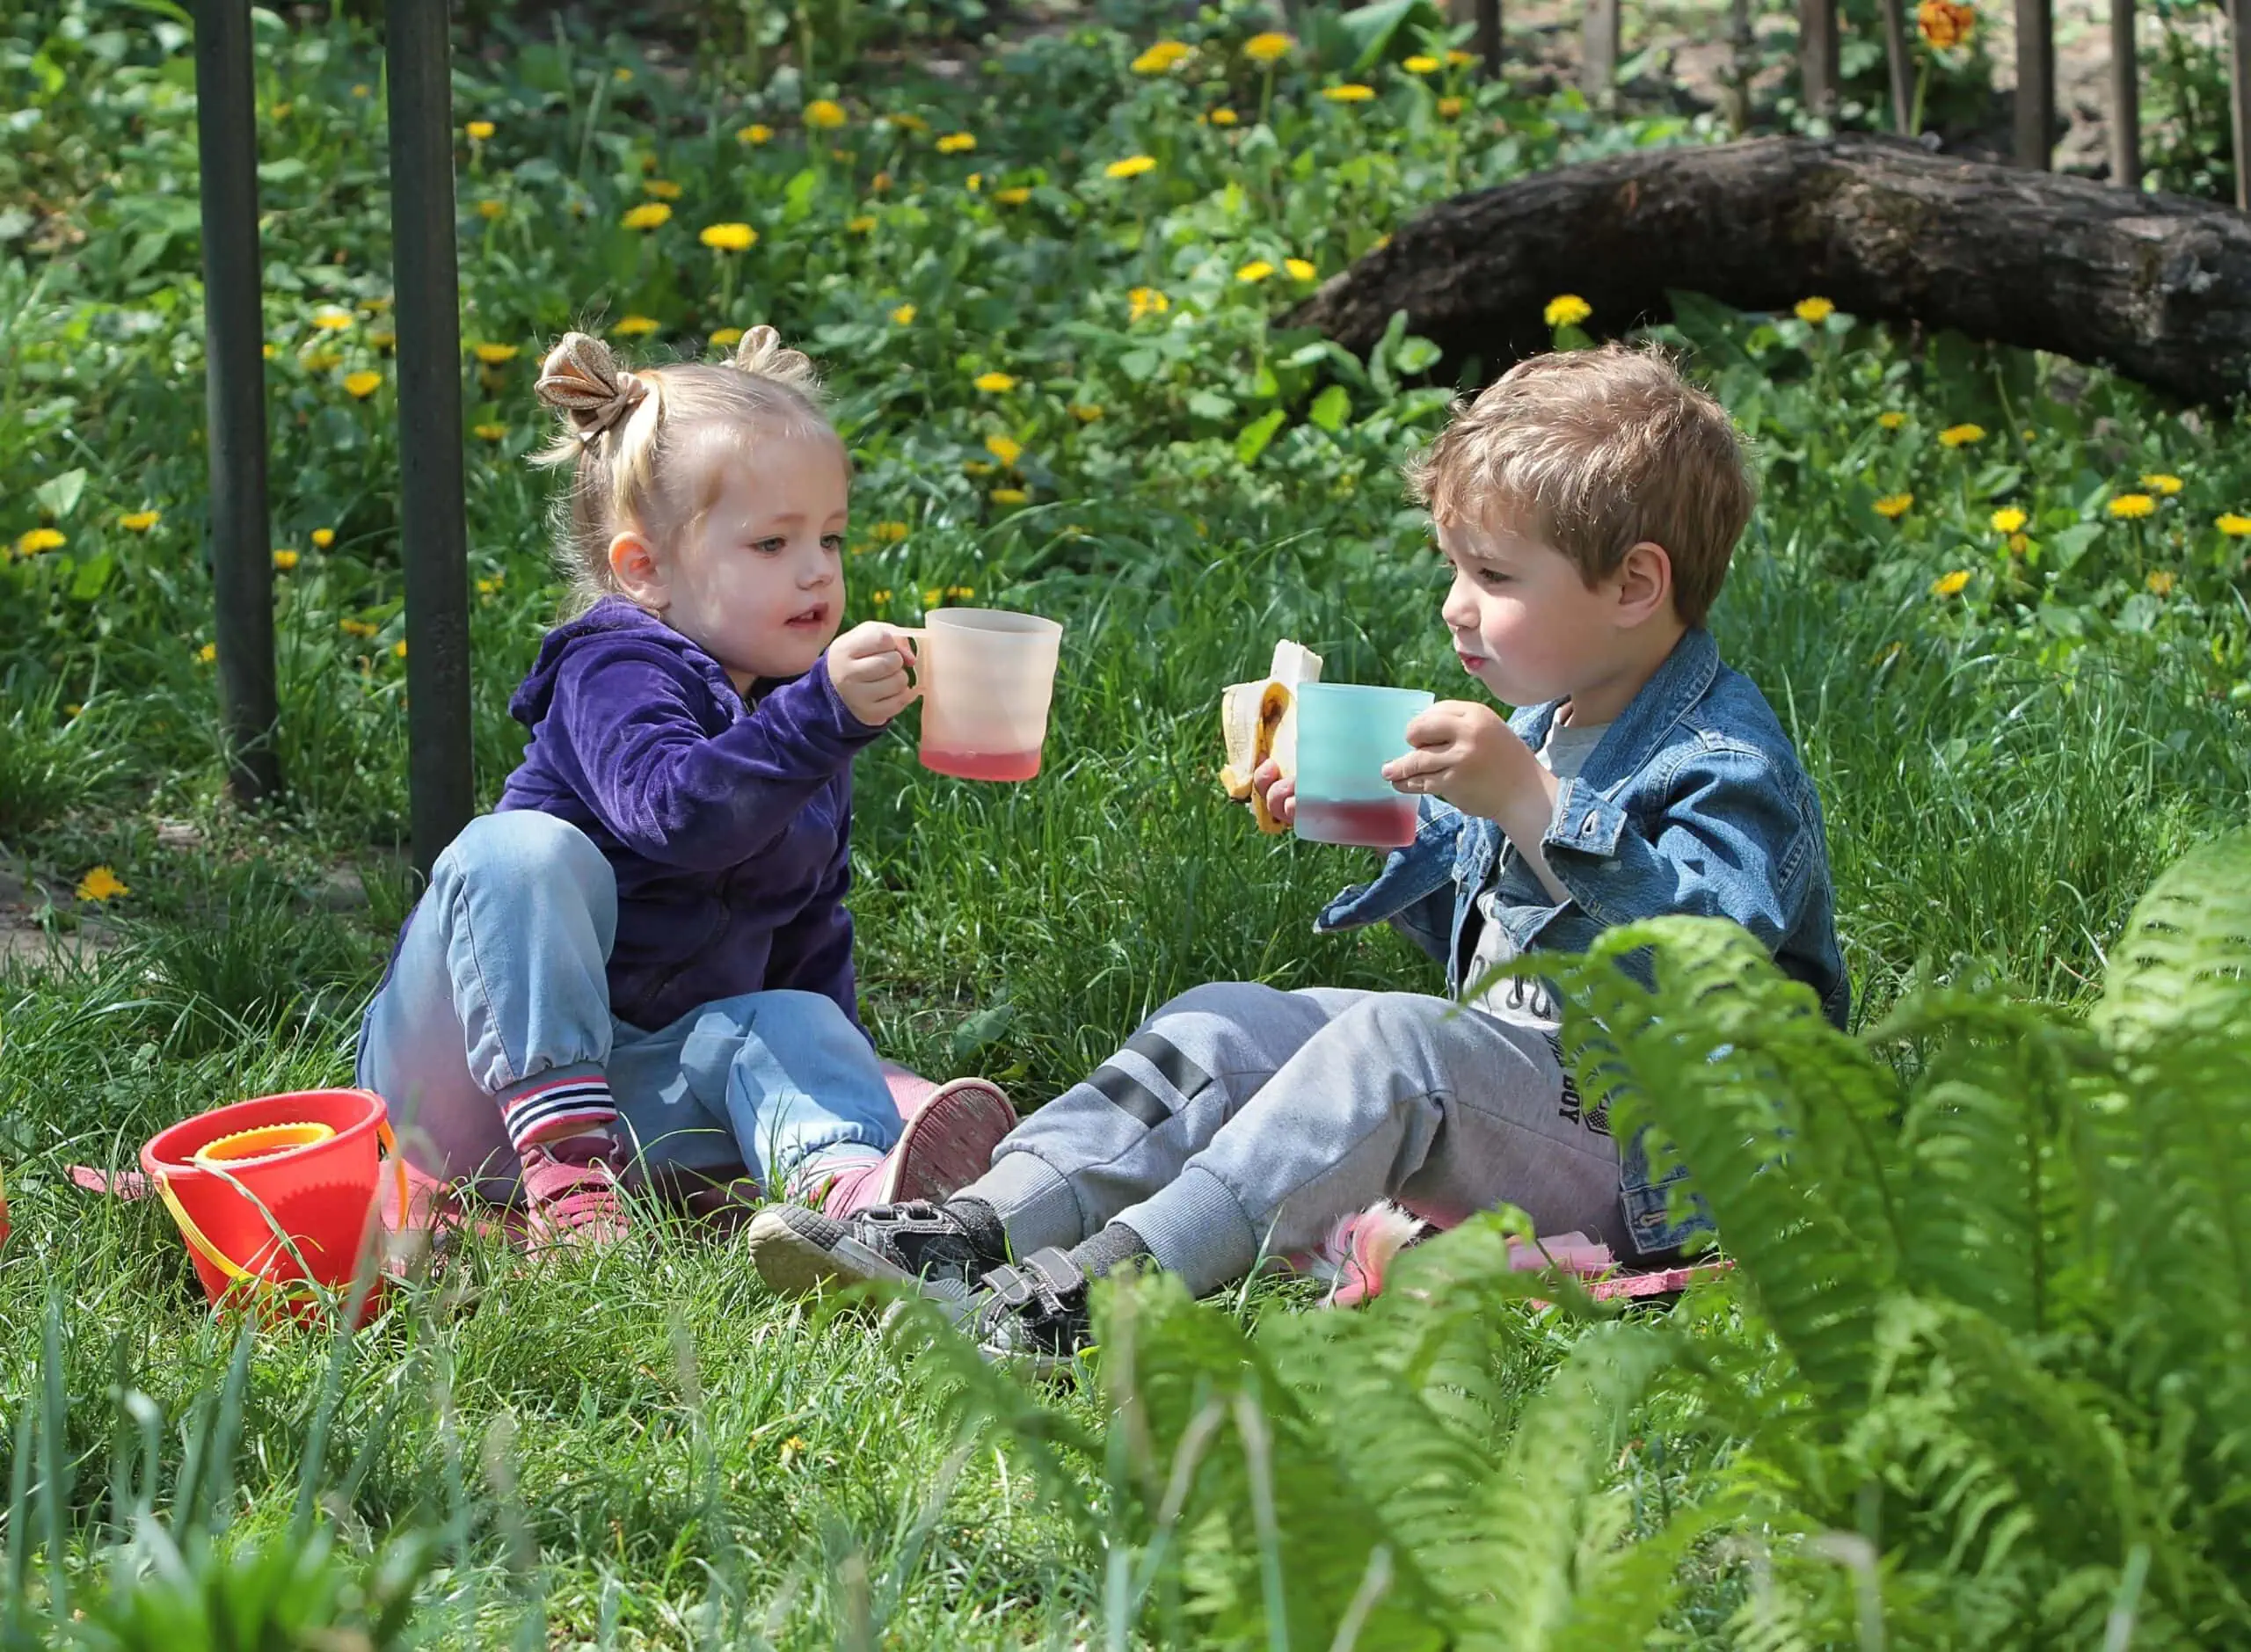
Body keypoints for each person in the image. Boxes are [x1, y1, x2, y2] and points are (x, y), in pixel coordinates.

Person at [746, 342, 1847, 1365]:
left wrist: (1533, 801)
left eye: (1496, 578)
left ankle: (1102, 1290)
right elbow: (1500, 916)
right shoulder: (1567, 712)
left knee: (1390, 1044)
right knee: (1228, 1018)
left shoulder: (1720, 756)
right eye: (1452, 566)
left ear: (1634, 586)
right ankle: (978, 1225)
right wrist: (1372, 806)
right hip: (1533, 1102)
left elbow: (1711, 971)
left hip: (1654, 1161)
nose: (1456, 608)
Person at [356, 326, 1014, 1244]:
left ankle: (854, 1198)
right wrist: (819, 715)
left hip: (634, 1097)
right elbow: (676, 812)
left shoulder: (789, 710)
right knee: (516, 852)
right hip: (457, 1083)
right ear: (646, 570)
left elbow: (806, 933)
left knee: (799, 1021)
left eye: (830, 537)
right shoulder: (612, 665)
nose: (818, 569)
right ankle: (567, 1178)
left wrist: (837, 1064)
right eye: (773, 542)